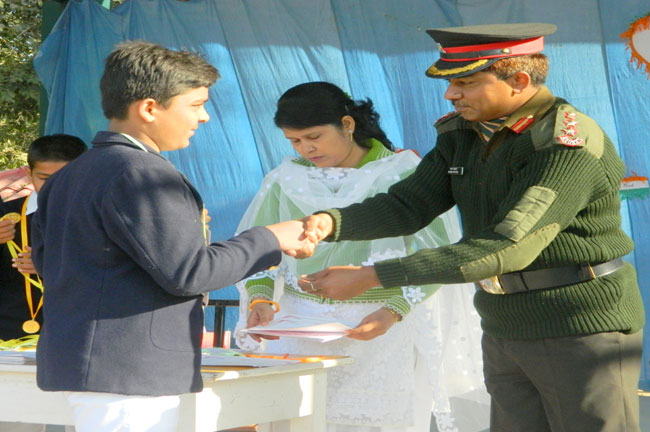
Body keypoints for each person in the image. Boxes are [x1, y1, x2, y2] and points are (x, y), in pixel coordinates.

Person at [299, 23, 645, 432]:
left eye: (465, 83)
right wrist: (329, 223)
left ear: (519, 81)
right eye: (450, 83)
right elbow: (409, 204)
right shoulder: (462, 134)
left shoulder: (561, 141)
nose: (451, 94)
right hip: (504, 322)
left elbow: (507, 246)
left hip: (578, 324)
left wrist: (375, 276)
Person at [30, 40, 312, 432]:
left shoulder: (70, 175)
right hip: (128, 373)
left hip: (98, 365)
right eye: (195, 105)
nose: (204, 117)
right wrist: (269, 238)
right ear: (149, 108)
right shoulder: (142, 172)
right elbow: (189, 273)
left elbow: (47, 262)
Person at [235, 82, 488, 432]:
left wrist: (393, 311)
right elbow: (257, 247)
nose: (306, 148)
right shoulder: (285, 178)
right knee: (296, 421)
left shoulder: (402, 172)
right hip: (298, 329)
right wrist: (261, 299)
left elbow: (438, 256)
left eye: (314, 136)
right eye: (294, 141)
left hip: (377, 329)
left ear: (347, 124)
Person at [0, 134, 86, 432]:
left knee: (80, 422)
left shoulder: (100, 216)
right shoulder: (7, 215)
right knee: (17, 423)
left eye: (63, 178)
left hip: (77, 340)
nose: (53, 187)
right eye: (44, 178)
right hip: (11, 340)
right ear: (28, 173)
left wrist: (50, 267)